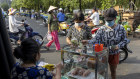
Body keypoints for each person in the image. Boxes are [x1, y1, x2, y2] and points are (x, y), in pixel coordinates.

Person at [82, 8, 129, 79]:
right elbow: (96, 39)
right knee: (101, 71)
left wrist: (118, 46)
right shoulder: (102, 29)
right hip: (103, 54)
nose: (108, 22)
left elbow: (125, 40)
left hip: (114, 54)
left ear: (115, 18)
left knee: (113, 71)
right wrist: (88, 41)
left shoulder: (121, 28)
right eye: (107, 20)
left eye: (110, 20)